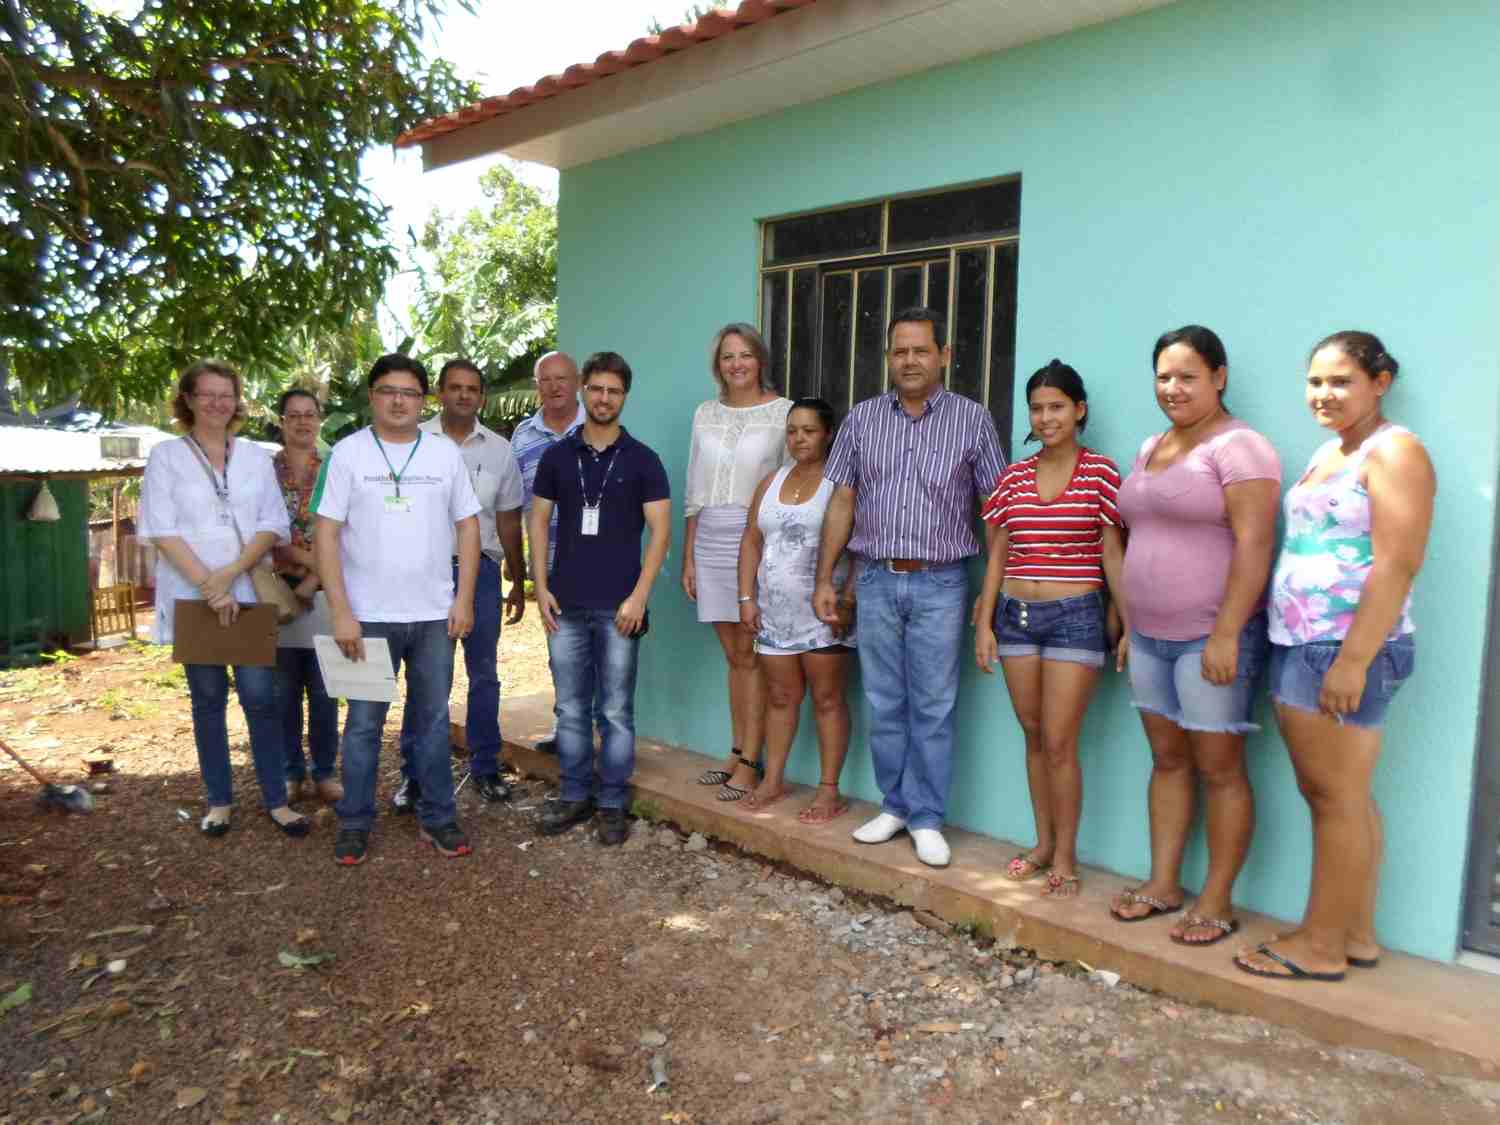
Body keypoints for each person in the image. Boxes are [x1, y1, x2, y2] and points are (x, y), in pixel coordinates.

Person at [1235, 332, 1434, 982]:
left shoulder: (1395, 451)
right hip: (1306, 642)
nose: (1324, 393)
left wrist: (1354, 659)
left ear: (1380, 381)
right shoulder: (1332, 450)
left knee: (1335, 797)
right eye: (1316, 381)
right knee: (1341, 794)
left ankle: (1320, 947)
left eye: (1341, 381)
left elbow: (1399, 560)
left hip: (1344, 648)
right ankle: (1351, 931)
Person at [813, 307, 1005, 868]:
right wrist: (826, 577)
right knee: (884, 702)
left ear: (944, 356)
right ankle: (894, 806)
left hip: (942, 582)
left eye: (922, 350)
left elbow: (994, 510)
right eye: (901, 351)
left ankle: (926, 817)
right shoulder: (863, 419)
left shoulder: (972, 421)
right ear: (889, 358)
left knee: (933, 705)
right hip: (873, 579)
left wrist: (991, 596)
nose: (911, 360)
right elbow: (842, 501)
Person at [1110, 326, 1281, 946]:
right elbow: (1138, 536)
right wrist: (1130, 625)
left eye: (1187, 376)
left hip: (1211, 638)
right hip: (1150, 638)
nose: (1173, 388)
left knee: (1221, 770)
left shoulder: (1242, 448)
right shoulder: (1151, 445)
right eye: (1163, 376)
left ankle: (1217, 899)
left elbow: (1256, 544)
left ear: (1219, 376)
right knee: (1167, 761)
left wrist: (1228, 634)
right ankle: (1162, 883)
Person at [312, 354, 482, 866]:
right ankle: (355, 823)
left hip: (433, 617)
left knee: (431, 722)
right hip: (366, 618)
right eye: (389, 390)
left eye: (409, 392)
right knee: (363, 724)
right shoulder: (347, 455)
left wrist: (464, 597)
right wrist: (340, 611)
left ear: (422, 400)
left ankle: (438, 818)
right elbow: (325, 533)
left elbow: (469, 527)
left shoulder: (443, 456)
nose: (399, 401)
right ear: (372, 395)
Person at [973, 361, 1125, 898]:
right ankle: (1041, 844)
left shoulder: (1101, 473)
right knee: (1034, 735)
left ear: (1079, 410)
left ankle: (1066, 854)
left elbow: (1112, 552)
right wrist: (985, 621)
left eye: (1057, 406)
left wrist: (1123, 621)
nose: (1046, 417)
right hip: (1016, 617)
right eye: (1037, 408)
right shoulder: (1013, 477)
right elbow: (998, 554)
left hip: (1074, 618)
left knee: (1061, 741)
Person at [137, 359, 304, 838]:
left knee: (260, 698)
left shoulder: (254, 456)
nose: (217, 403)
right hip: (193, 598)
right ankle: (219, 801)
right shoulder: (167, 456)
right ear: (187, 399)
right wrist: (209, 587)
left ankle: (277, 800)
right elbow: (160, 529)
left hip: (247, 592)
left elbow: (273, 522)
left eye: (225, 394)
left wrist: (228, 576)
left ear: (237, 400)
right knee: (207, 699)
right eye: (206, 394)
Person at [529, 351, 671, 846]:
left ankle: (612, 802)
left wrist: (639, 596)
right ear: (583, 391)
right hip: (564, 604)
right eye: (596, 389)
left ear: (624, 397)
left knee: (614, 710)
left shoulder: (643, 460)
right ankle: (573, 795)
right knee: (569, 709)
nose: (603, 398)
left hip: (620, 608)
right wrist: (539, 585)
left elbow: (660, 531)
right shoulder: (557, 457)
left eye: (613, 391)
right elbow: (538, 519)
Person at [392, 358, 526, 809]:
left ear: (481, 397)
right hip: (424, 575)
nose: (463, 395)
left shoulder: (499, 450)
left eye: (472, 389)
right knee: (428, 677)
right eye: (455, 387)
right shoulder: (415, 440)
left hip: (483, 573)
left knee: (484, 675)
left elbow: (508, 518)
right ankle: (414, 775)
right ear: (439, 394)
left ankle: (486, 768)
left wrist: (517, 575)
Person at [684, 324, 792, 800]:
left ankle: (752, 759)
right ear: (718, 365)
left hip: (756, 541)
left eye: (745, 355)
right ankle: (736, 750)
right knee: (734, 657)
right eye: (728, 356)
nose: (737, 364)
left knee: (753, 654)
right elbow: (693, 487)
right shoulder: (705, 413)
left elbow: (792, 485)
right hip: (709, 535)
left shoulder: (782, 412)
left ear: (760, 360)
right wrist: (688, 555)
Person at [736, 397, 854, 821]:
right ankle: (774, 779)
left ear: (827, 434)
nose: (799, 438)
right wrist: (746, 597)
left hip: (823, 613)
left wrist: (849, 597)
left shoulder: (840, 483)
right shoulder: (771, 481)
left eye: (808, 430)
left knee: (827, 699)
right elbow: (752, 539)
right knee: (782, 697)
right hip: (774, 613)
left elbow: (858, 548)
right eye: (792, 431)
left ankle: (828, 790)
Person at [510, 351, 590, 756]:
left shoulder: (597, 427)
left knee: (601, 652)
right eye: (547, 380)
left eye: (563, 379)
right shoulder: (523, 437)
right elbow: (519, 505)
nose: (555, 387)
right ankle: (567, 729)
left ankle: (598, 734)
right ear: (537, 385)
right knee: (560, 652)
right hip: (550, 563)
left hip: (596, 561)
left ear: (576, 382)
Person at [270, 388, 341, 805]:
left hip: (327, 593)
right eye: (293, 415)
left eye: (309, 414)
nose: (302, 422)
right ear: (281, 420)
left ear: (320, 418)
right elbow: (261, 531)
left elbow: (349, 531)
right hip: (278, 592)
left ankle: (326, 772)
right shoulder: (264, 471)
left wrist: (314, 580)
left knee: (325, 689)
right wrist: (305, 565)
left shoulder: (336, 466)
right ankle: (290, 772)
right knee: (283, 691)